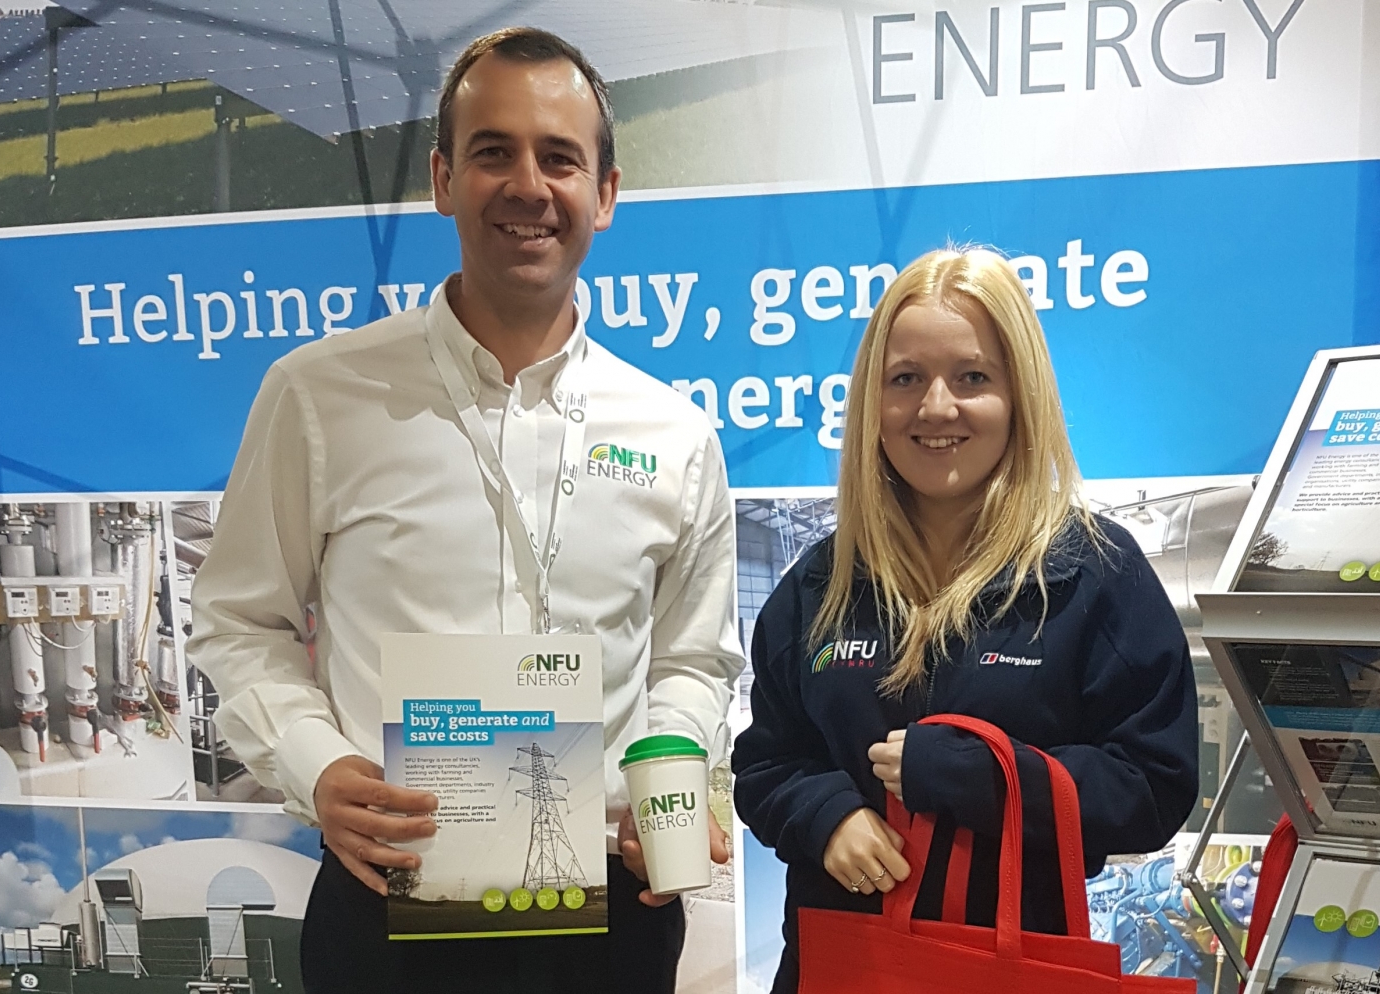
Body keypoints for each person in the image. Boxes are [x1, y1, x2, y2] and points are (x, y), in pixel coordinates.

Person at [186, 27, 743, 994]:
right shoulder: (319, 396)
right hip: (391, 905)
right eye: (494, 152)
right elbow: (240, 620)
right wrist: (315, 765)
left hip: (610, 915)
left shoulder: (675, 433)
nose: (528, 185)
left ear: (604, 196)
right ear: (444, 178)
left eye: (560, 157)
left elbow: (692, 660)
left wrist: (674, 779)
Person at [732, 248, 1198, 992]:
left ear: (1020, 395)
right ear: (871, 403)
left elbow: (1153, 786)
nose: (936, 407)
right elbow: (765, 764)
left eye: (972, 377)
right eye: (906, 379)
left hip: (1010, 968)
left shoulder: (1094, 575)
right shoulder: (818, 585)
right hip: (841, 965)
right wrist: (824, 816)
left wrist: (981, 776)